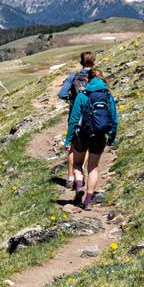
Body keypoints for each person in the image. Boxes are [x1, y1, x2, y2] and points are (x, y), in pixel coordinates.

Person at [63, 68, 119, 210]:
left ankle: (79, 185)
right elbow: (114, 119)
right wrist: (111, 138)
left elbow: (74, 120)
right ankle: (88, 201)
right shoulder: (108, 96)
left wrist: (68, 140)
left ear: (88, 80)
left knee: (77, 164)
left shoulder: (82, 96)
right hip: (100, 135)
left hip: (82, 135)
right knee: (93, 167)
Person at [57, 51, 96, 189]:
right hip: (92, 115)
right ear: (94, 61)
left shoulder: (73, 77)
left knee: (73, 145)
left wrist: (72, 99)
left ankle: (70, 177)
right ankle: (81, 174)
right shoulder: (96, 77)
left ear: (81, 62)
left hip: (75, 113)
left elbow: (61, 94)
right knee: (87, 145)